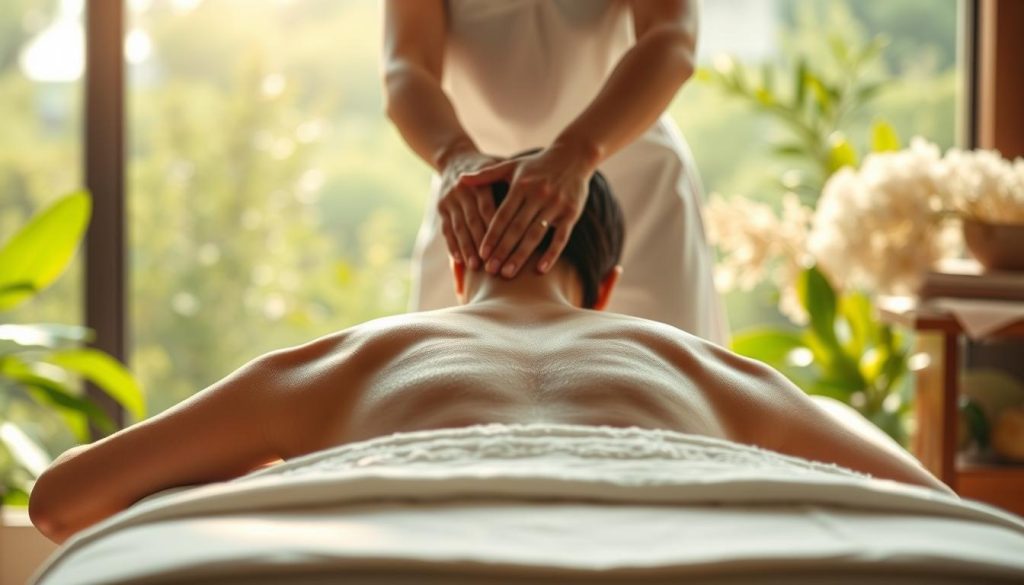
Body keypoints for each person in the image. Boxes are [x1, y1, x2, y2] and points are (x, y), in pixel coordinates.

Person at [30, 174, 949, 545]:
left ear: (459, 266)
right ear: (608, 281)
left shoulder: (345, 361)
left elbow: (63, 499)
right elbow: (934, 510)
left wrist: (268, 485)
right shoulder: (708, 368)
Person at [383, 0, 728, 343]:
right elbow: (406, 65)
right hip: (476, 202)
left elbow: (672, 36)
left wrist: (578, 153)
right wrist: (454, 157)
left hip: (634, 188)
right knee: (447, 380)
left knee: (667, 381)